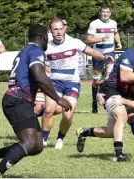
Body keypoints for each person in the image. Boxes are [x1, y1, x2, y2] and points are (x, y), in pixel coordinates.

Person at [76, 38, 134, 162]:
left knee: (111, 131)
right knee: (122, 115)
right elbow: (124, 77)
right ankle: (119, 154)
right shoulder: (131, 55)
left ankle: (83, 132)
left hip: (123, 93)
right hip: (111, 89)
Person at [0, 24, 72, 175]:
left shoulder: (25, 51)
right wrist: (58, 99)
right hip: (18, 100)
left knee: (37, 145)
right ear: (44, 37)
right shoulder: (36, 51)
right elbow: (39, 76)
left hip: (18, 100)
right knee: (30, 143)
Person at [41, 17, 114, 150]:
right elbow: (38, 61)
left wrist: (104, 57)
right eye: (55, 29)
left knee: (67, 115)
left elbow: (91, 51)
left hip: (72, 82)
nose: (58, 31)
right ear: (50, 31)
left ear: (64, 28)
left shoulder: (74, 42)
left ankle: (60, 139)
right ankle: (44, 139)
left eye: (60, 28)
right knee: (49, 110)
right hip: (54, 81)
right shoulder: (45, 45)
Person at [86, 5, 122, 113]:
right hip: (98, 53)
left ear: (110, 14)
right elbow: (88, 39)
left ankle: (107, 102)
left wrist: (118, 42)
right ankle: (94, 101)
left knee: (109, 77)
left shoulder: (113, 23)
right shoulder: (94, 24)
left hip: (110, 52)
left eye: (107, 12)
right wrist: (100, 39)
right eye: (103, 12)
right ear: (100, 13)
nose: (105, 14)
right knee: (97, 80)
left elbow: (115, 33)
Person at [34, 15, 69, 117]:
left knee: (58, 109)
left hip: (54, 81)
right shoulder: (45, 43)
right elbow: (36, 60)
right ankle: (28, 128)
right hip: (42, 80)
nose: (62, 28)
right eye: (56, 28)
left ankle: (32, 119)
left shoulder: (69, 42)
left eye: (64, 26)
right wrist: (47, 68)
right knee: (38, 107)